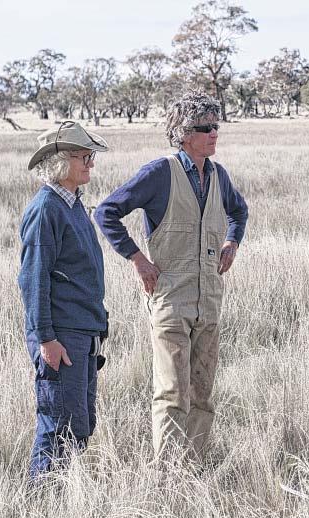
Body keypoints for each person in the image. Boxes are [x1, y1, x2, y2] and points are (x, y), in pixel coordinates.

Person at [93, 92, 248, 463]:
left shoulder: (218, 175)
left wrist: (232, 242)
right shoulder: (160, 173)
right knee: (171, 393)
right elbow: (106, 212)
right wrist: (138, 260)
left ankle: (194, 468)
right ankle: (166, 476)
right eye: (205, 128)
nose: (214, 133)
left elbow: (239, 212)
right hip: (170, 300)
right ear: (183, 134)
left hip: (209, 302)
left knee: (202, 394)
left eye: (216, 126)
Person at [18, 121, 110, 479]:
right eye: (83, 157)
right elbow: (33, 278)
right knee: (58, 427)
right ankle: (42, 499)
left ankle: (64, 496)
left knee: (79, 427)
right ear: (60, 161)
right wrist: (46, 338)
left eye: (90, 156)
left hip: (82, 334)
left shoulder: (72, 204)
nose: (91, 163)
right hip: (61, 337)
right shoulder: (46, 209)